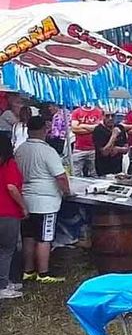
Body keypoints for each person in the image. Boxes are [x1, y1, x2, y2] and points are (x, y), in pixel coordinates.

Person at [15, 116, 70, 283]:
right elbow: (60, 176)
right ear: (44, 130)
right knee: (44, 239)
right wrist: (67, 192)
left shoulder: (20, 149)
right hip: (45, 201)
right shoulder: (47, 151)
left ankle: (28, 270)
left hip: (25, 198)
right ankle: (43, 273)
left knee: (29, 237)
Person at [0, 136, 26, 299]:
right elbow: (11, 187)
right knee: (7, 249)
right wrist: (23, 206)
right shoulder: (9, 164)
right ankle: (3, 285)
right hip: (7, 211)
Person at [69, 102, 104, 177]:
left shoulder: (98, 112)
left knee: (95, 174)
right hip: (79, 148)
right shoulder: (76, 112)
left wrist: (81, 125)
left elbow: (100, 128)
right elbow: (74, 128)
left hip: (94, 149)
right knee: (75, 173)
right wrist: (92, 128)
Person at [91, 109, 129, 176]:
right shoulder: (98, 130)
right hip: (103, 168)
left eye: (113, 116)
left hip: (118, 167)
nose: (110, 118)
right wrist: (113, 136)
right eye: (107, 116)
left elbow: (126, 149)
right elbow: (105, 152)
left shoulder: (120, 128)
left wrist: (118, 149)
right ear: (103, 117)